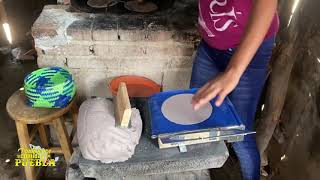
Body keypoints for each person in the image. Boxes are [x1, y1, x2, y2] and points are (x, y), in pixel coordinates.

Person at [190, 0, 279, 180]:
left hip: (248, 50)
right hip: (210, 45)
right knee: (196, 114)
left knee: (240, 134)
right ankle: (201, 173)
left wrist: (233, 71)